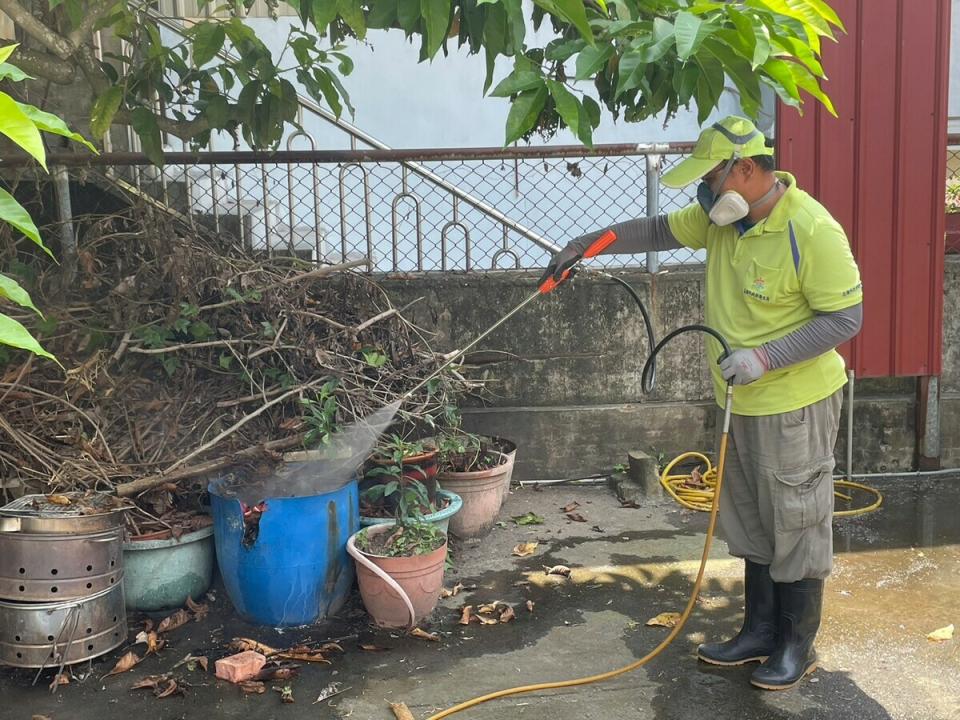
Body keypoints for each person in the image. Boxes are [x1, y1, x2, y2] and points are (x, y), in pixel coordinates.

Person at [542, 116, 864, 690]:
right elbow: (654, 231)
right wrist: (580, 246)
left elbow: (845, 317)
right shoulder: (721, 222)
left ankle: (796, 644)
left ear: (744, 170)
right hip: (738, 403)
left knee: (796, 520)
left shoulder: (812, 230)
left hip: (794, 403)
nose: (704, 192)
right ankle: (759, 631)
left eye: (710, 178)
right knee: (751, 519)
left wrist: (765, 357)